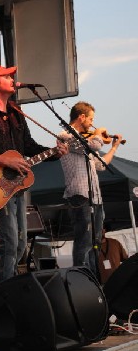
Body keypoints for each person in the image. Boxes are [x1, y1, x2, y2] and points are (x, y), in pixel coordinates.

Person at [0, 64, 68, 309]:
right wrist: (3, 159)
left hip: (17, 186)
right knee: (8, 244)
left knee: (19, 245)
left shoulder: (17, 112)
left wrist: (55, 153)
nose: (12, 78)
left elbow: (28, 145)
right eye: (6, 76)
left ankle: (3, 294)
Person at [58, 101, 123, 277]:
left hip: (95, 197)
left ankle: (94, 278)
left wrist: (114, 147)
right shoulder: (65, 135)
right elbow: (93, 144)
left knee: (95, 242)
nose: (92, 122)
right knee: (84, 242)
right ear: (82, 117)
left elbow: (100, 164)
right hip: (79, 195)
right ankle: (82, 280)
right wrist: (97, 133)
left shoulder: (85, 140)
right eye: (91, 119)